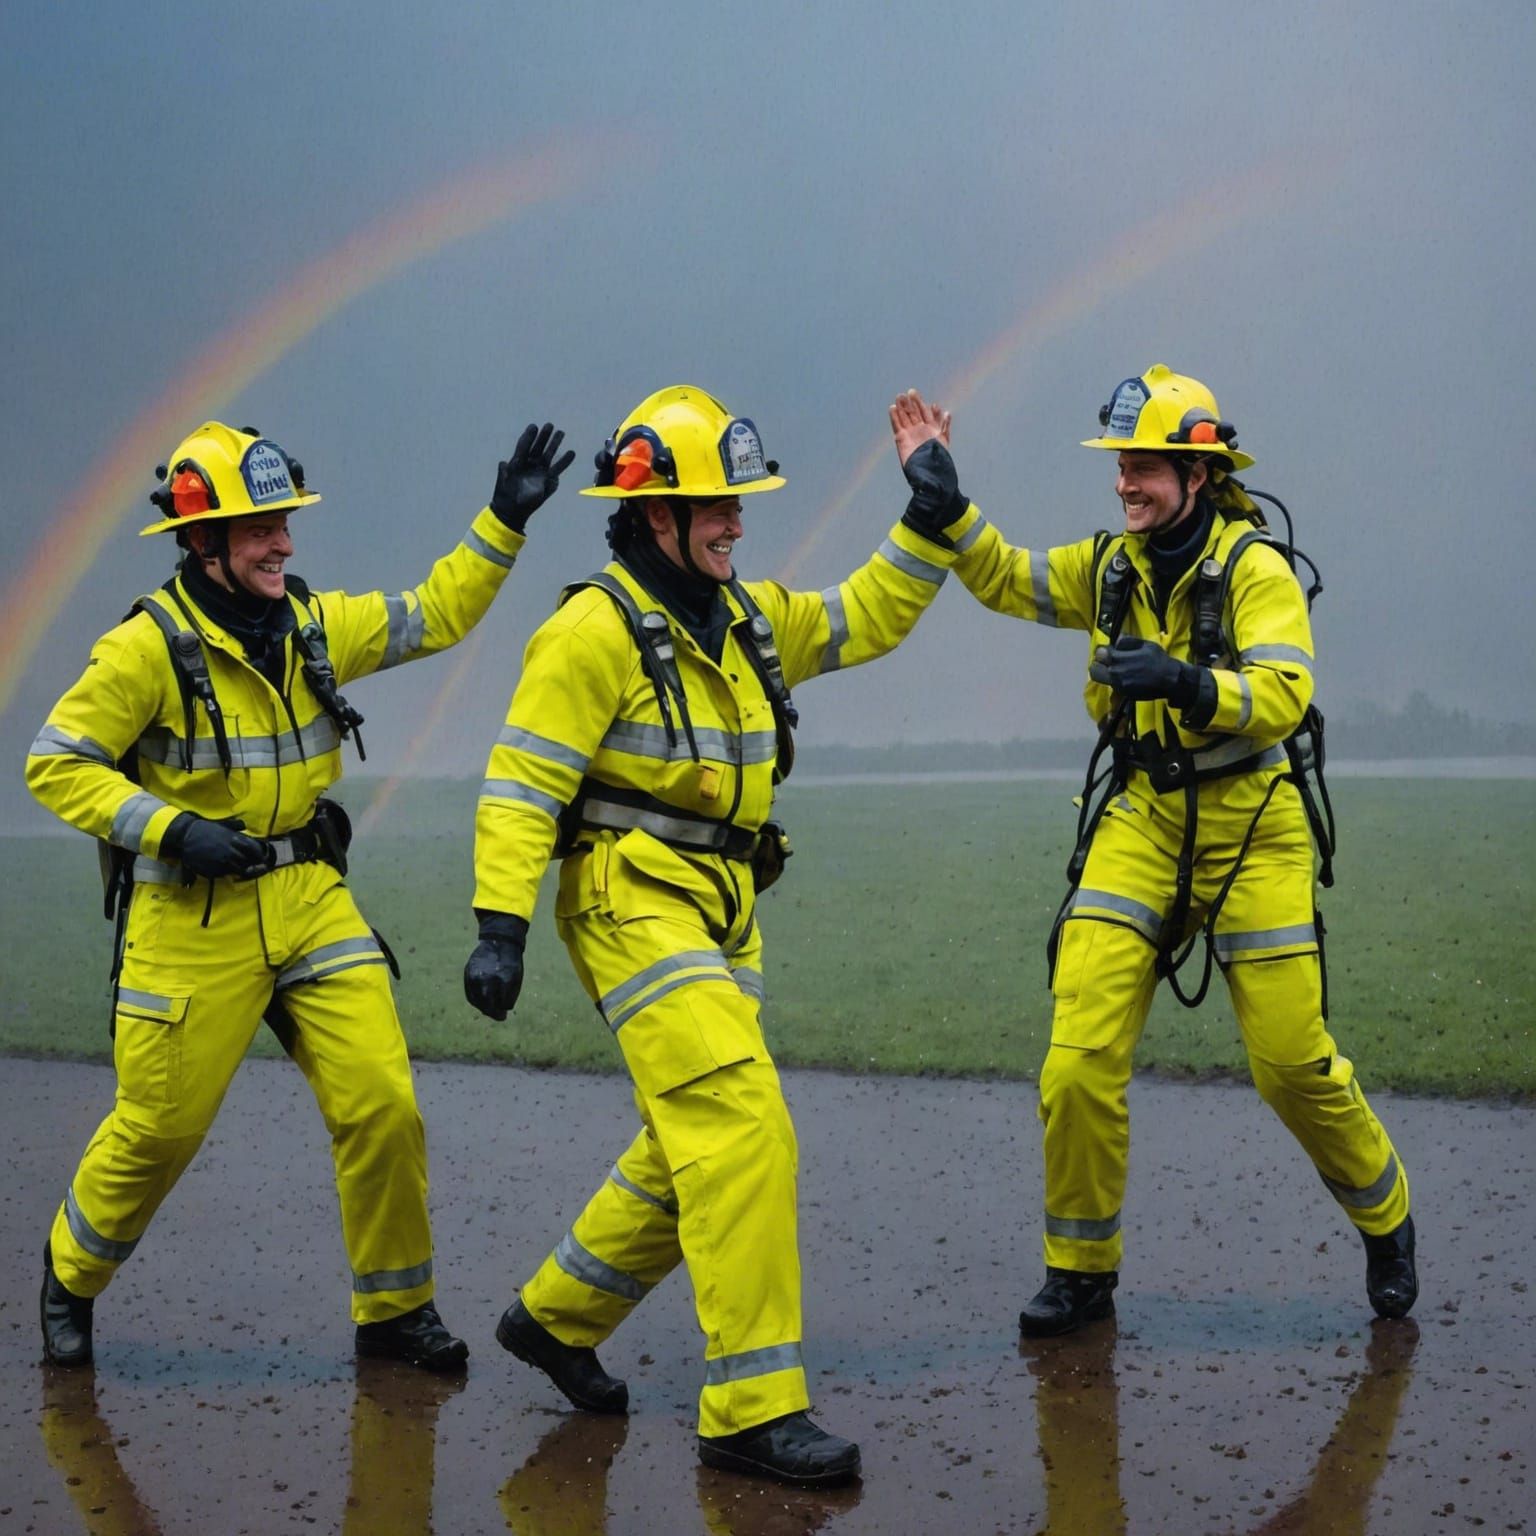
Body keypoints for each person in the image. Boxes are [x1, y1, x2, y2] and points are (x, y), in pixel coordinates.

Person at [464, 384, 969, 1488]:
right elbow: (518, 788)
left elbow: (860, 616)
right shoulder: (588, 629)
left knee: (684, 1137)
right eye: (715, 504)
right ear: (655, 517)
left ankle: (555, 1318)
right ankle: (749, 1410)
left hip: (723, 907)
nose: (736, 518)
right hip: (627, 898)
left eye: (739, 500)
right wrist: (498, 926)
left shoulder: (744, 617)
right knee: (743, 1127)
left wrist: (928, 517)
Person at [29, 415, 574, 1371]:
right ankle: (68, 1275)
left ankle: (396, 1312)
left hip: (311, 896)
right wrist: (171, 827)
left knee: (383, 1105)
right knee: (158, 1131)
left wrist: (503, 519)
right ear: (201, 542)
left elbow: (433, 614)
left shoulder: (314, 625)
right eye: (258, 529)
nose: (282, 542)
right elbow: (55, 761)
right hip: (190, 918)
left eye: (284, 524)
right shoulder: (144, 649)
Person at [888, 368, 1417, 1336]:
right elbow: (1007, 575)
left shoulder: (1256, 569)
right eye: (1121, 464)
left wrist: (1183, 679)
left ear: (1200, 474)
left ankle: (1386, 1221)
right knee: (1077, 1060)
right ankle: (1082, 1275)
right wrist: (944, 498)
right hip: (1141, 819)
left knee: (1291, 1064)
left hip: (1254, 825)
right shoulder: (1109, 567)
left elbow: (1285, 692)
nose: (1127, 482)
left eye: (1145, 467)